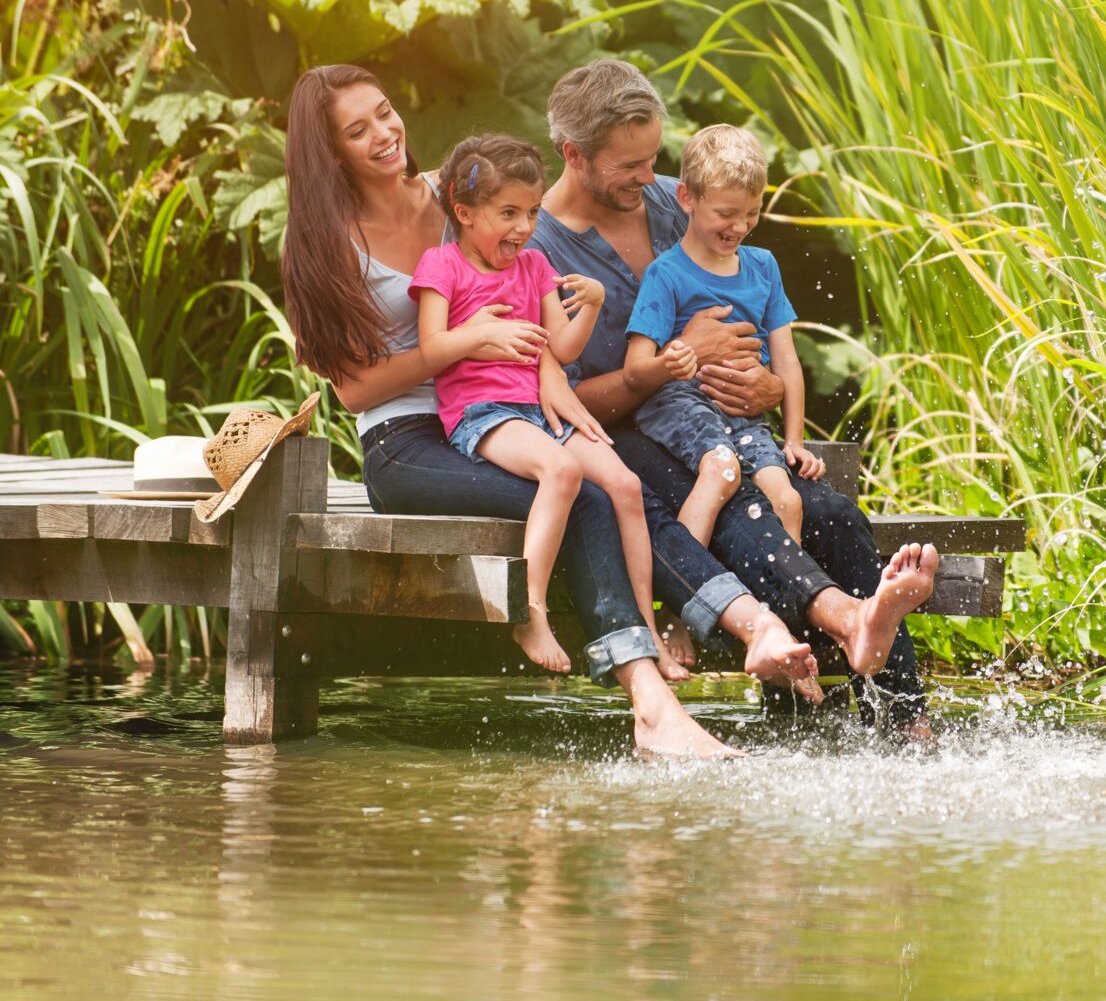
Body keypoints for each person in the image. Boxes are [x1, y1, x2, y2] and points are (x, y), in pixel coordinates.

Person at [279, 64, 813, 757]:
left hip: (515, 406)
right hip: (410, 437)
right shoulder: (325, 239)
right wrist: (465, 341)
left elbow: (535, 306)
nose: (384, 133)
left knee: (618, 479)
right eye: (358, 130)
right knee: (584, 493)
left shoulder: (459, 192)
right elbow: (352, 392)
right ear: (330, 151)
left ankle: (743, 626)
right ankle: (652, 707)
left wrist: (556, 379)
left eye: (385, 112)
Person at [527, 59, 938, 725]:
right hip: (625, 439)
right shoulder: (540, 249)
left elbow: (757, 329)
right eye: (628, 166)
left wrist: (768, 386)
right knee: (742, 508)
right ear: (573, 155)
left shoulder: (680, 198)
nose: (647, 178)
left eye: (653, 158)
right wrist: (676, 356)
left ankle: (899, 718)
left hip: (723, 424)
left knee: (830, 512)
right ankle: (840, 630)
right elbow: (560, 400)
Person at [410, 133, 678, 679]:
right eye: (507, 213)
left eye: (531, 212)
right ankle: (530, 610)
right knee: (561, 471)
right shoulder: (443, 266)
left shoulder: (534, 266)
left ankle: (648, 626)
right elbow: (431, 350)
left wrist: (593, 304)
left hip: (541, 411)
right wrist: (479, 335)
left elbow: (563, 349)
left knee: (626, 487)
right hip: (483, 412)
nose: (524, 227)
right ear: (463, 211)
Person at [625, 125, 821, 550]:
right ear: (687, 199)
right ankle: (690, 587)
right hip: (680, 401)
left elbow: (786, 359)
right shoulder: (666, 274)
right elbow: (636, 368)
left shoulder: (763, 267)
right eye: (726, 213)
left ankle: (790, 601)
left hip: (744, 413)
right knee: (722, 470)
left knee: (787, 500)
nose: (740, 226)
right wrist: (670, 362)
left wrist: (795, 440)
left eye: (752, 213)